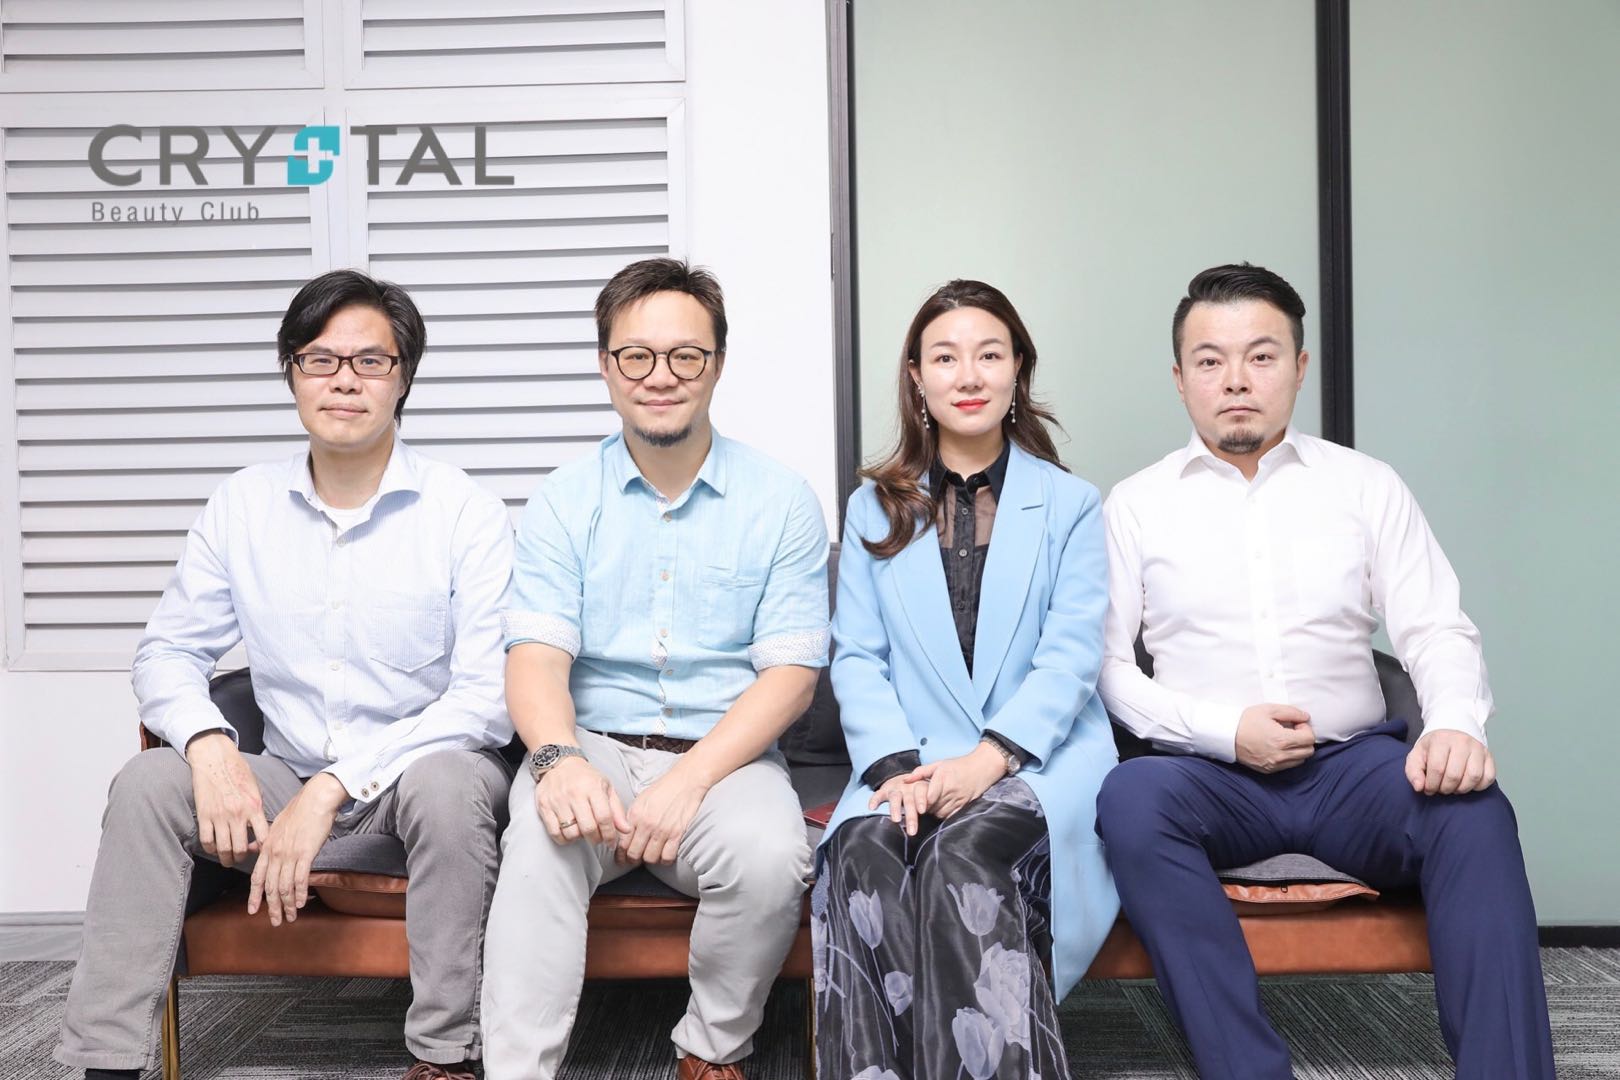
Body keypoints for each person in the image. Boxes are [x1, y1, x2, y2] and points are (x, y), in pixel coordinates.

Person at [1095, 262, 1555, 1079]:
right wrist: (1224, 732)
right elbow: (1106, 670)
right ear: (1180, 378)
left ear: (1300, 366)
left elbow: (1436, 626)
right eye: (1210, 360)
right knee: (1129, 800)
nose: (1236, 380)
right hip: (1207, 776)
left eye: (1261, 356)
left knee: (1475, 812)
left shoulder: (1365, 486)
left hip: (1354, 770)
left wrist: (1455, 723)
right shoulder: (1133, 505)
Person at [54, 270, 517, 1080]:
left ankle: (448, 1054)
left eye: (370, 361)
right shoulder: (242, 505)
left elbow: (486, 699)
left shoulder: (464, 512)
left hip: (414, 781)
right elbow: (166, 652)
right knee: (148, 782)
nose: (344, 380)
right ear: (292, 372)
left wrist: (334, 788)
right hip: (283, 776)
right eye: (320, 360)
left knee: (450, 782)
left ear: (403, 376)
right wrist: (209, 748)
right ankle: (109, 1063)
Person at [480, 258, 829, 1080]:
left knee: (770, 855)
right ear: (606, 366)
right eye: (636, 356)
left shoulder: (782, 500)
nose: (660, 376)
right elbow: (535, 656)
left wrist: (689, 780)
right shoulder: (565, 498)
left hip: (725, 758)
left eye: (685, 355)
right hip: (594, 745)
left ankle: (710, 1048)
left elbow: (791, 674)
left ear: (718, 364)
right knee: (538, 841)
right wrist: (558, 760)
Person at [813, 280, 1119, 1080]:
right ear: (917, 377)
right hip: (908, 756)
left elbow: (1071, 657)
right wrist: (896, 771)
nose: (970, 375)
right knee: (860, 852)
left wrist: (987, 761)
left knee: (962, 856)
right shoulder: (875, 508)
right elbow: (858, 657)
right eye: (946, 358)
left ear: (1019, 368)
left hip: (1040, 760)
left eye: (990, 354)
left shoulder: (1071, 505)